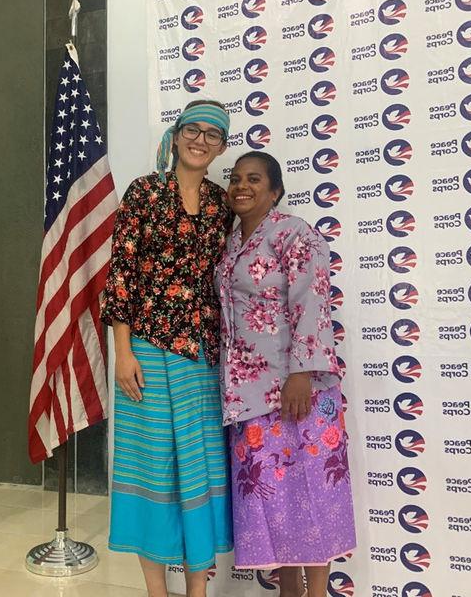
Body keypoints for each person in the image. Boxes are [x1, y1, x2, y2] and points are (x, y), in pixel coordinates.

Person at [100, 101, 234, 597]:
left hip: (201, 358)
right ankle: (158, 592)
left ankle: (197, 590)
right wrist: (122, 351)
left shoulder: (222, 204)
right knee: (151, 467)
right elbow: (122, 275)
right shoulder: (145, 192)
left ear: (221, 146)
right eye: (193, 131)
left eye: (213, 136)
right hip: (147, 351)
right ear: (176, 137)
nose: (201, 141)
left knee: (197, 467)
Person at [215, 152, 356, 597]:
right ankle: (288, 592)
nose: (242, 186)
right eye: (236, 178)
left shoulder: (296, 234)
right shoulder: (230, 243)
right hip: (247, 396)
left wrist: (301, 373)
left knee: (312, 495)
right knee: (275, 505)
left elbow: (313, 303)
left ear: (274, 191)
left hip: (298, 391)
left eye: (254, 179)